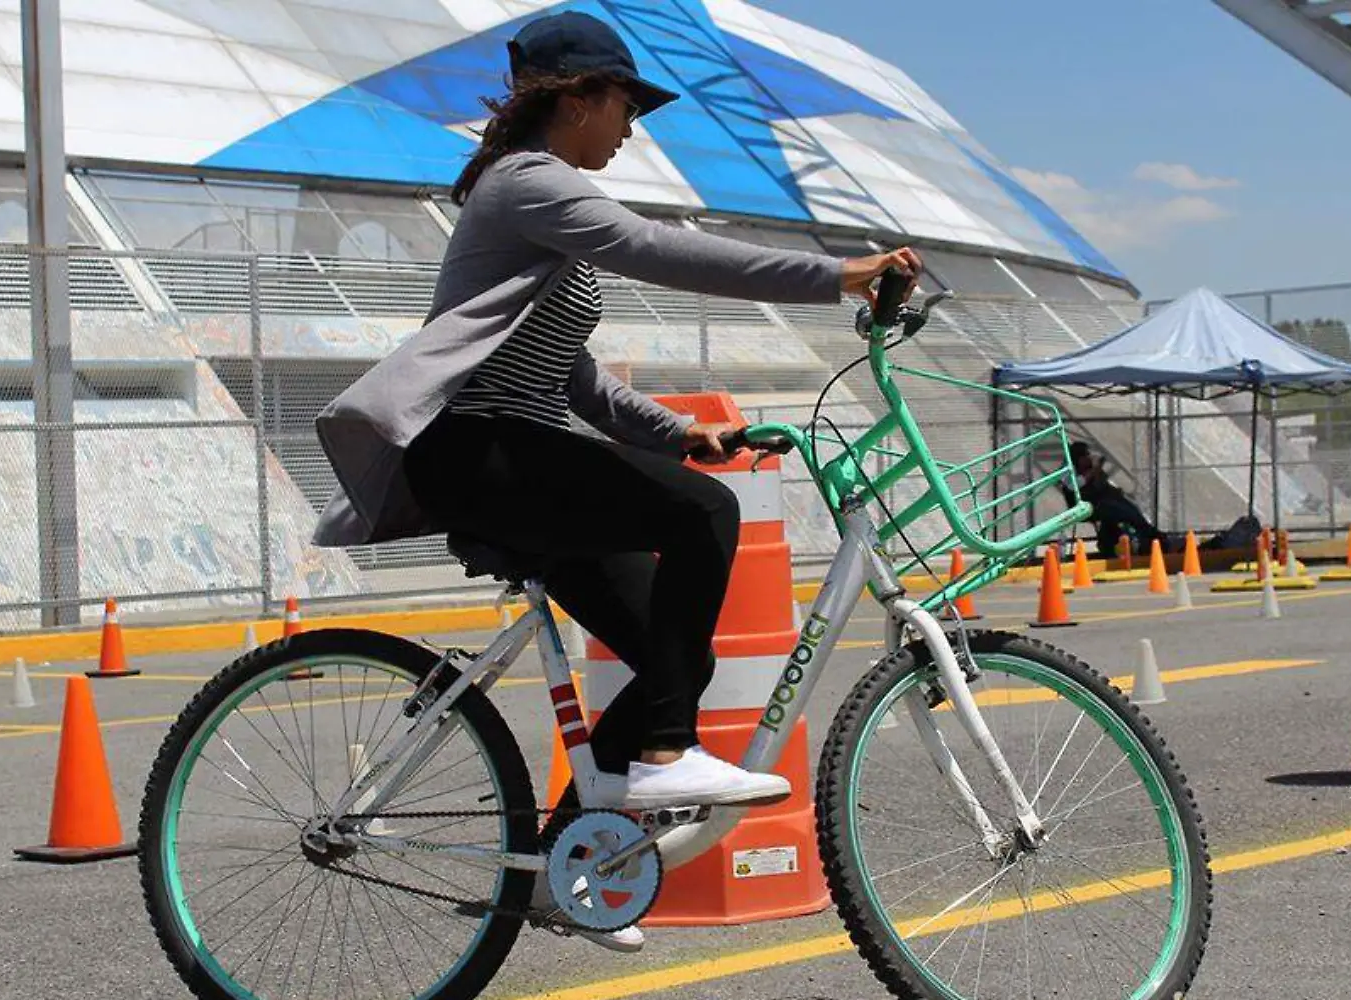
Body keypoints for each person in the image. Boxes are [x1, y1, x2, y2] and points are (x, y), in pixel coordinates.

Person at [308, 12, 921, 950]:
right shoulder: (527, 184)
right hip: (477, 449)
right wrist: (838, 273)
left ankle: (571, 868)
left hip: (517, 446)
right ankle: (665, 756)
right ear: (575, 99)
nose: (633, 125)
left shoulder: (536, 202)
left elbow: (577, 381)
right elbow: (655, 248)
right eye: (625, 104)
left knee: (681, 654)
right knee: (703, 519)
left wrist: (685, 437)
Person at [1057, 442, 1168, 556]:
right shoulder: (1067, 471)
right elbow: (1073, 485)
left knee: (1126, 508)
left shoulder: (1090, 469)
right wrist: (1094, 471)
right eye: (1086, 455)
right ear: (1078, 458)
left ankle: (1148, 535)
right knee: (1115, 509)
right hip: (1083, 508)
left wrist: (1099, 474)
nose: (1088, 458)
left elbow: (1102, 486)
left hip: (1100, 503)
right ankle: (1148, 535)